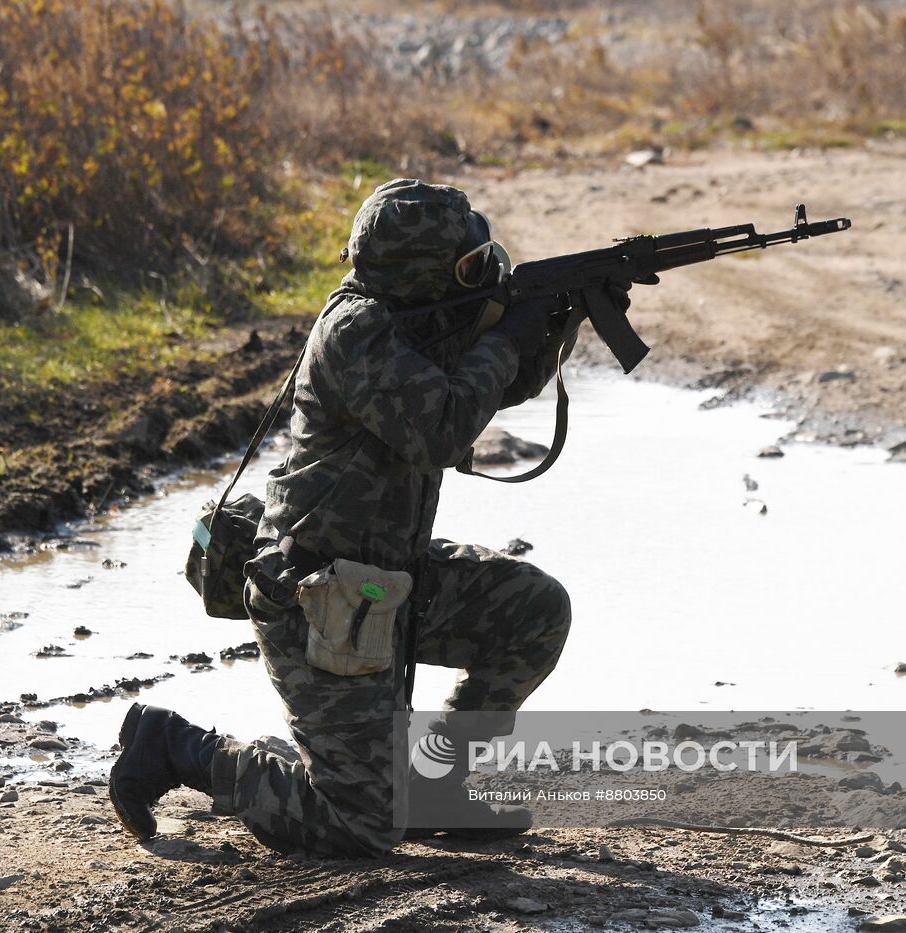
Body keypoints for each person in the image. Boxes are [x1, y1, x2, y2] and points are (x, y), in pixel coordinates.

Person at [109, 179, 618, 857]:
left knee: (535, 609)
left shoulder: (413, 318)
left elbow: (501, 381)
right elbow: (442, 425)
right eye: (466, 268)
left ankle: (439, 786)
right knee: (361, 824)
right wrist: (506, 340)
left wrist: (560, 321)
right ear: (419, 274)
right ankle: (175, 747)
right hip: (315, 593)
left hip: (387, 580)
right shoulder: (355, 333)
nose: (481, 274)